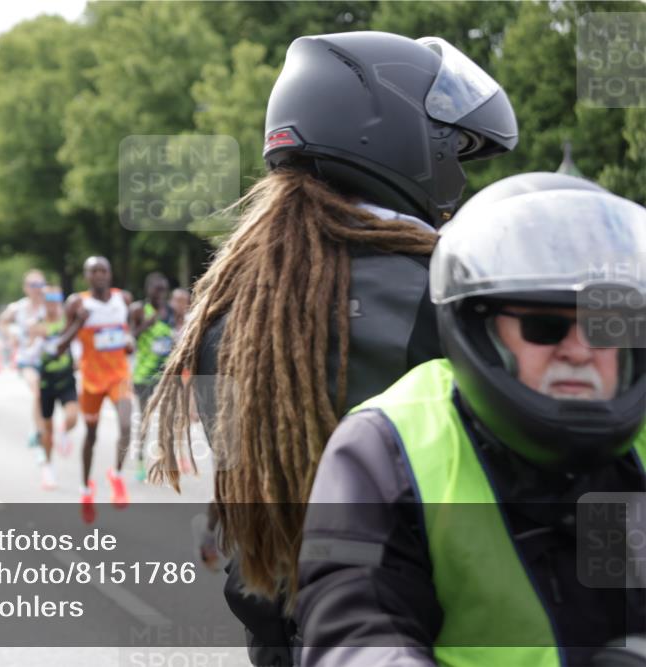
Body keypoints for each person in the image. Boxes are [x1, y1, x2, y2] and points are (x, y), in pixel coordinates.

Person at [142, 31, 517, 664]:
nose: (457, 171)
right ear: (401, 140)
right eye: (452, 148)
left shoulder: (231, 306)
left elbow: (245, 518)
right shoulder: (441, 291)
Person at [295, 173, 646, 667]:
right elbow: (355, 632)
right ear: (478, 327)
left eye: (604, 327)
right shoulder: (388, 446)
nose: (579, 352)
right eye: (544, 326)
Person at [53, 256, 134, 523]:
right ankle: (86, 490)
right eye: (93, 271)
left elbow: (128, 330)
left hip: (119, 376)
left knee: (126, 425)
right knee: (91, 435)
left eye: (103, 270)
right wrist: (79, 323)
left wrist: (129, 340)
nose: (99, 275)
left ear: (110, 274)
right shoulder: (77, 303)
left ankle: (117, 476)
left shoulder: (123, 299)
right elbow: (59, 346)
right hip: (91, 381)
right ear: (86, 276)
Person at [31, 285, 79, 490]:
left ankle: (63, 432)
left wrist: (78, 359)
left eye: (55, 301)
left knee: (72, 417)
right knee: (46, 431)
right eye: (48, 301)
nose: (52, 305)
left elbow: (76, 344)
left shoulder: (66, 322)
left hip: (66, 378)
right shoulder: (37, 325)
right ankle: (48, 469)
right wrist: (37, 342)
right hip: (46, 382)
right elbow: (29, 353)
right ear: (43, 302)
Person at [130, 272, 176, 482]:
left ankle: (166, 459)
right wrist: (145, 324)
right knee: (144, 417)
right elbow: (130, 337)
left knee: (169, 415)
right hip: (143, 373)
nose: (159, 295)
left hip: (165, 372)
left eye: (162, 291)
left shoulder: (170, 311)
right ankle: (140, 460)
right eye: (156, 290)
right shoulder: (139, 309)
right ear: (148, 290)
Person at [0, 269, 48, 450]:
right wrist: (10, 335)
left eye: (41, 284)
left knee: (45, 397)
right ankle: (39, 432)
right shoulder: (17, 308)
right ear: (25, 288)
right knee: (37, 390)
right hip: (27, 360)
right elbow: (2, 321)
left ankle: (41, 428)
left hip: (48, 359)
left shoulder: (49, 307)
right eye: (33, 285)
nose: (37, 288)